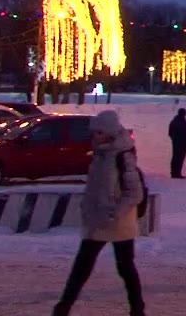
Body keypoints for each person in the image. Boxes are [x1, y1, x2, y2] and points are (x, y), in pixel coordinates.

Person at [53, 110, 144, 316]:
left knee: (125, 268)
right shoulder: (100, 154)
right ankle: (62, 307)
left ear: (110, 132)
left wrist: (115, 212)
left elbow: (134, 192)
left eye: (100, 132)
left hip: (118, 222)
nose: (95, 136)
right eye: (94, 132)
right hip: (97, 219)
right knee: (82, 266)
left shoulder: (123, 155)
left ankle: (137, 310)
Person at [168, 107, 186, 178]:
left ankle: (174, 172)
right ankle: (177, 173)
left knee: (176, 157)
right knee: (179, 158)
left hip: (178, 142)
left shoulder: (174, 122)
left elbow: (170, 133)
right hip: (181, 143)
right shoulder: (184, 122)